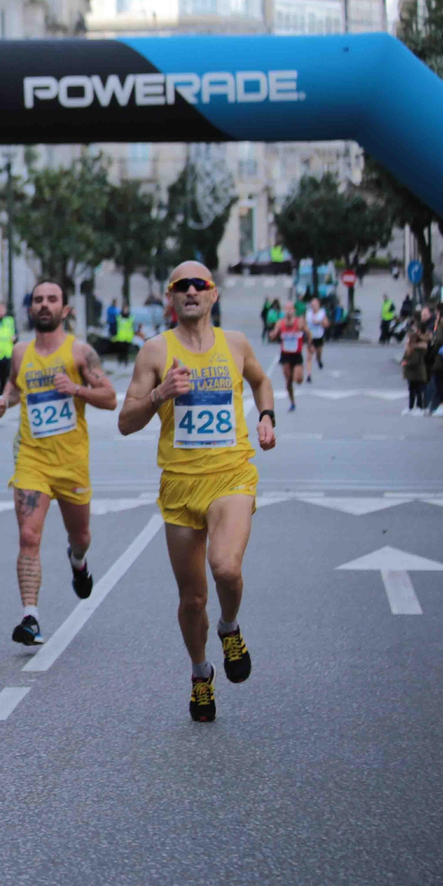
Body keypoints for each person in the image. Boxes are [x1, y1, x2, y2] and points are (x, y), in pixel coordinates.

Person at [118, 262, 276, 723]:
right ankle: (201, 673)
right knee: (192, 599)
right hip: (180, 484)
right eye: (181, 285)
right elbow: (125, 422)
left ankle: (229, 628)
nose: (191, 290)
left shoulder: (236, 344)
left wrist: (267, 417)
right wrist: (160, 394)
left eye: (199, 284)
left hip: (231, 475)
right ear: (171, 296)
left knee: (225, 567)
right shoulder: (155, 351)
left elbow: (261, 380)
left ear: (213, 295)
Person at [0, 280, 117, 646]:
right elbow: (16, 387)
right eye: (38, 300)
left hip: (71, 463)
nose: (44, 305)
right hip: (32, 458)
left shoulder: (80, 352)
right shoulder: (20, 352)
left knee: (81, 537)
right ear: (31, 308)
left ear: (65, 309)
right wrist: (3, 401)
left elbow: (110, 398)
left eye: (52, 299)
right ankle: (30, 617)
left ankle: (78, 562)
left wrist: (76, 389)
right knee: (29, 536)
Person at [269, 302, 309, 411]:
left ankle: (299, 375)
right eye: (286, 309)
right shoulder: (280, 323)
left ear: (294, 311)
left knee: (298, 379)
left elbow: (308, 332)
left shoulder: (299, 322)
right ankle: (292, 402)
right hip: (285, 355)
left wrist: (310, 344)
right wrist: (272, 335)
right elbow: (274, 334)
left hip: (296, 355)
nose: (288, 311)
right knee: (288, 381)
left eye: (290, 309)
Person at [401, 327, 430, 414]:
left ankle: (419, 408)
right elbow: (405, 357)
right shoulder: (409, 348)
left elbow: (415, 361)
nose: (406, 340)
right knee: (412, 391)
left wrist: (406, 363)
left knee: (418, 391)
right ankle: (411, 407)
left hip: (417, 373)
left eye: (408, 338)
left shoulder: (418, 349)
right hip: (412, 373)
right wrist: (403, 361)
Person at [304, 297, 329, 376]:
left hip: (319, 337)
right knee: (309, 356)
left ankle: (319, 360)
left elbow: (326, 324)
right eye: (312, 304)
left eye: (315, 304)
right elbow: (304, 324)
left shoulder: (322, 313)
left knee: (318, 354)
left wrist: (319, 322)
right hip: (310, 337)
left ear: (318, 305)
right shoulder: (308, 313)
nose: (314, 306)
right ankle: (309, 375)